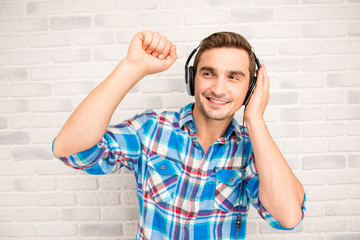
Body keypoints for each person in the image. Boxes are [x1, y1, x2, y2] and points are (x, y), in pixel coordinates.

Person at [52, 30, 306, 240]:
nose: (218, 89)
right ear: (192, 78)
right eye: (208, 73)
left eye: (233, 77)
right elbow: (70, 150)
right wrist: (132, 67)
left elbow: (288, 217)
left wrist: (255, 119)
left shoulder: (252, 150)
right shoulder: (152, 129)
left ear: (250, 89)